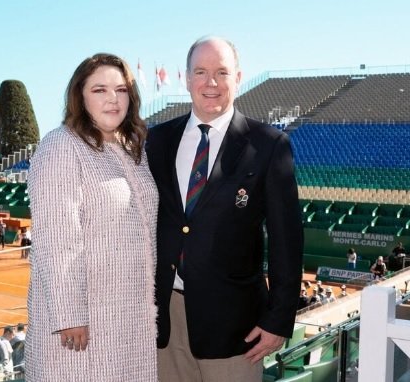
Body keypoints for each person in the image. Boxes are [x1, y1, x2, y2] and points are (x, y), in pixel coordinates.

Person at [146, 36, 303, 382]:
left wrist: (278, 319)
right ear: (187, 79)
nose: (210, 82)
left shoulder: (268, 145)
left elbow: (286, 240)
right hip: (164, 320)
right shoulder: (157, 141)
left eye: (221, 72)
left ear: (238, 77)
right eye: (200, 71)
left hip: (236, 327)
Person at [26, 53, 158, 381]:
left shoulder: (134, 147)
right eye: (99, 90)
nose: (113, 99)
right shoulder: (61, 145)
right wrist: (70, 313)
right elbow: (56, 237)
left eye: (121, 89)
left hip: (132, 313)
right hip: (86, 322)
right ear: (80, 97)